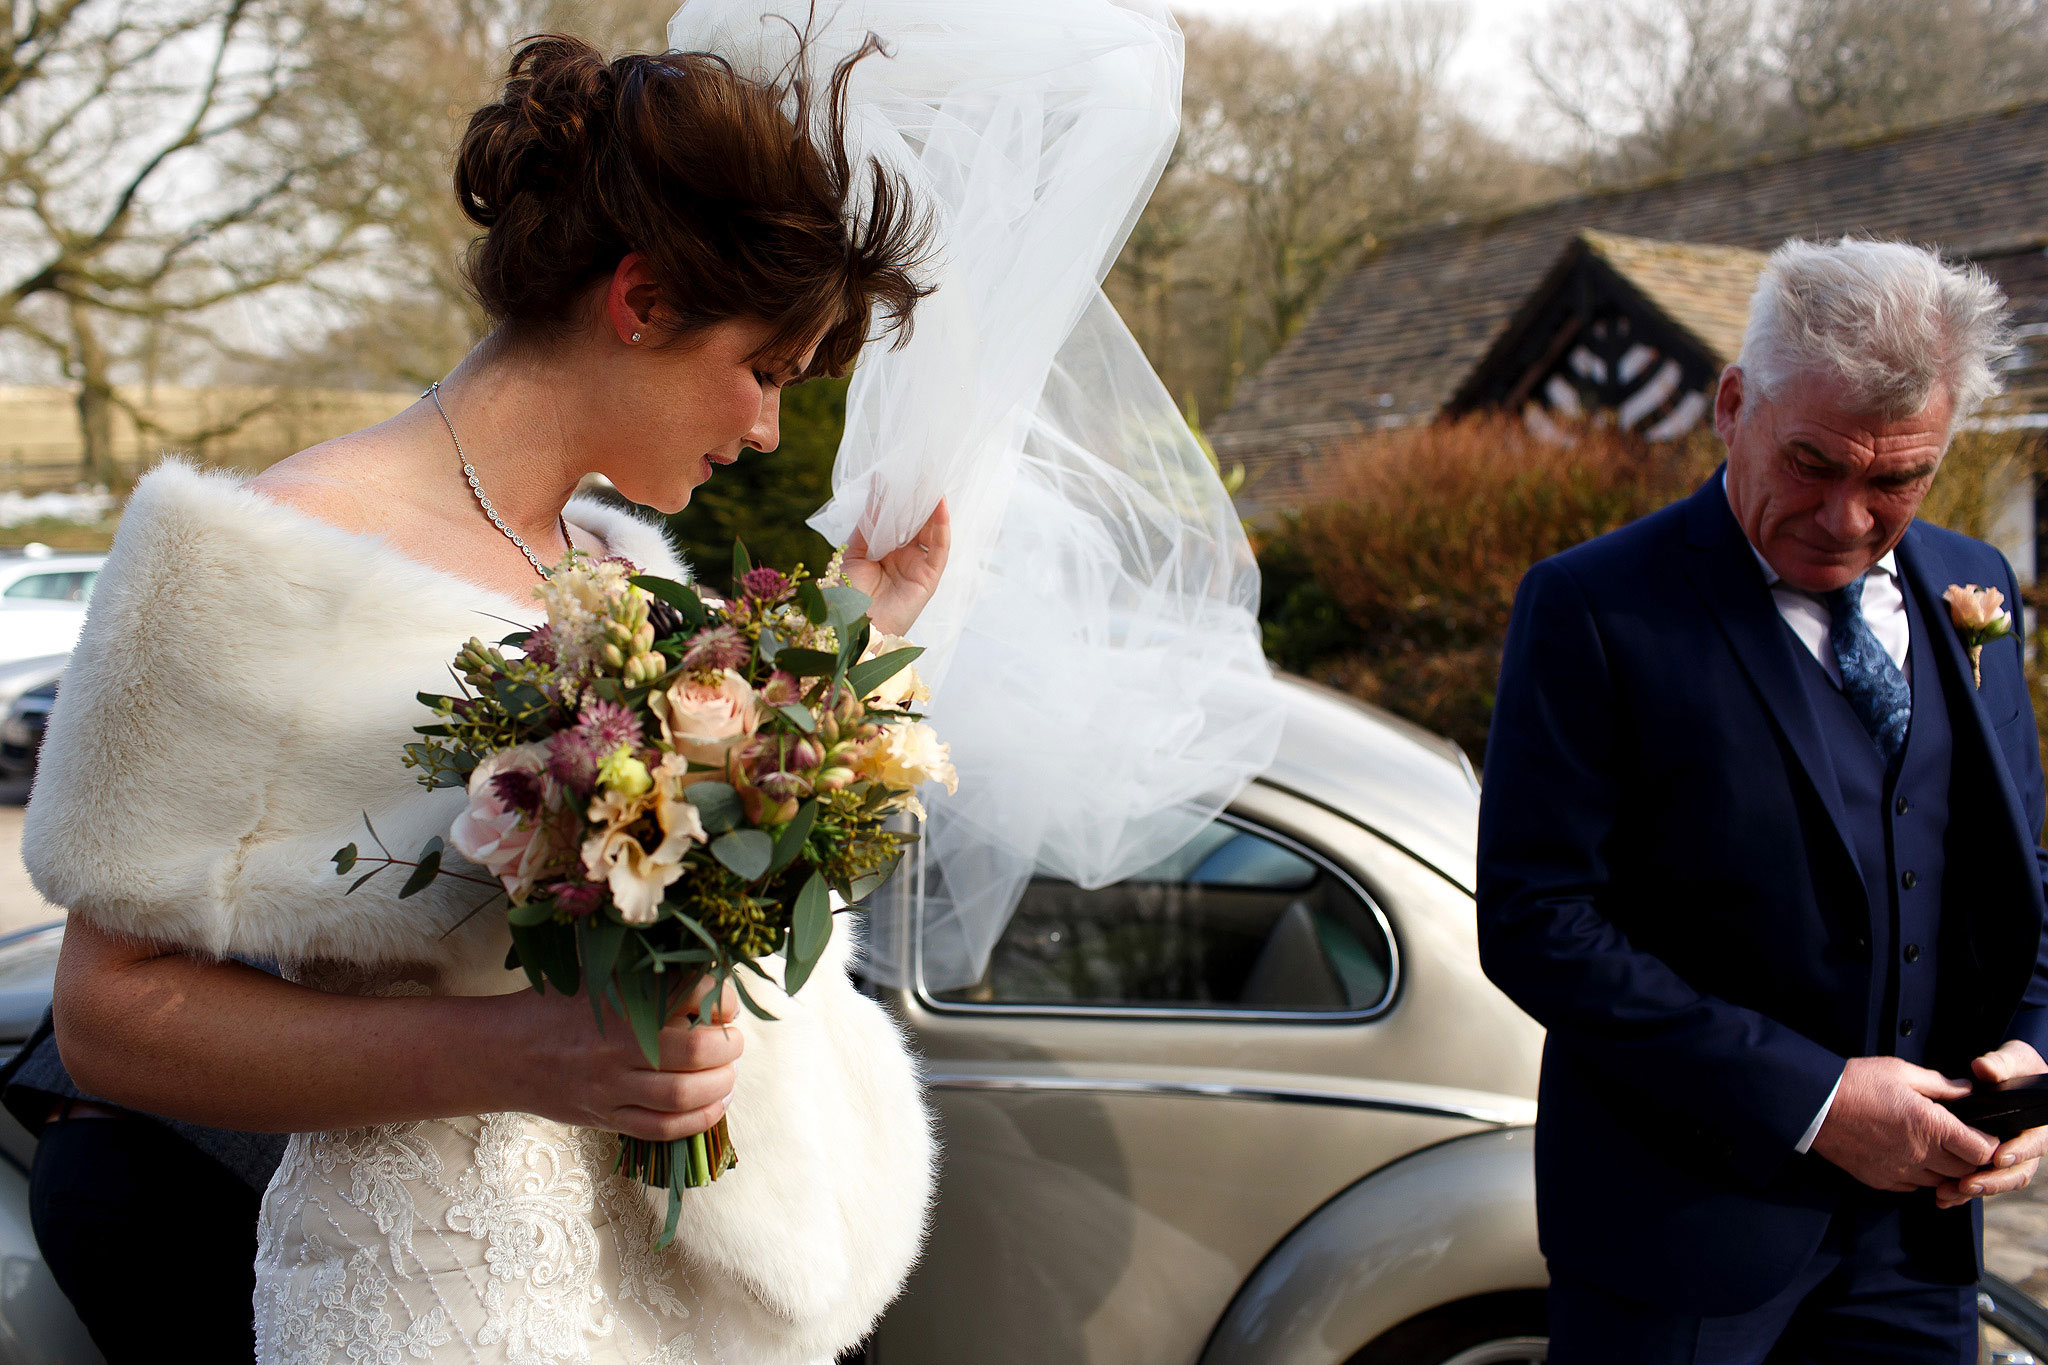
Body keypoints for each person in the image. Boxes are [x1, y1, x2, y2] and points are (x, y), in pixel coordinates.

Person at [26, 29, 948, 1365]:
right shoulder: (249, 551)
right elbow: (107, 1017)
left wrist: (849, 630)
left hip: (677, 1313)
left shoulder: (625, 573)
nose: (765, 431)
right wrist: (517, 1052)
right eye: (766, 370)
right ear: (640, 300)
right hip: (434, 1301)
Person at [1478, 236, 2048, 1363]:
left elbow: (2017, 869)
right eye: (1812, 463)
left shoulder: (1968, 584)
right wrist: (1819, 1102)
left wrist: (2029, 1059)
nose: (1846, 519)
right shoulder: (1591, 608)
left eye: (1896, 479)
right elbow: (1539, 925)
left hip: (1919, 1241)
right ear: (1732, 405)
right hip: (1678, 1243)